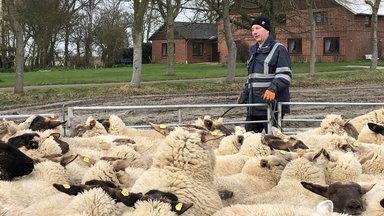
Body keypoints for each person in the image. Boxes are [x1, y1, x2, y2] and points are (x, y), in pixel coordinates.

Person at [237, 15, 292, 133]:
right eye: (252, 29)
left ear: (267, 29)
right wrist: (245, 93)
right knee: (249, 140)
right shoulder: (253, 51)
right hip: (253, 107)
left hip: (271, 106)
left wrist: (273, 89)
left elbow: (285, 75)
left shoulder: (278, 49)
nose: (254, 32)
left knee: (273, 141)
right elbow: (251, 78)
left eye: (257, 28)